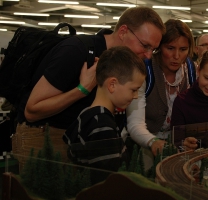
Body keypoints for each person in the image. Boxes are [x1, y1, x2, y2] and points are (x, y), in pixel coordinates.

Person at [12, 7, 165, 168]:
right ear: (123, 31)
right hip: (44, 139)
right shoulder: (76, 51)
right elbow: (31, 111)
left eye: (153, 49)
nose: (148, 56)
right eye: (145, 45)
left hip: (81, 146)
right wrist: (83, 89)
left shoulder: (125, 64)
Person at [63, 46, 146, 184]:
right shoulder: (102, 125)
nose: (136, 96)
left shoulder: (88, 114)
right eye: (134, 90)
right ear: (112, 84)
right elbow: (107, 183)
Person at [126, 19, 195, 168]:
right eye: (170, 48)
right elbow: (134, 124)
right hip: (143, 146)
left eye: (183, 49)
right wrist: (153, 141)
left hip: (179, 147)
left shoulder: (190, 70)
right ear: (159, 47)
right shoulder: (144, 70)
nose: (177, 56)